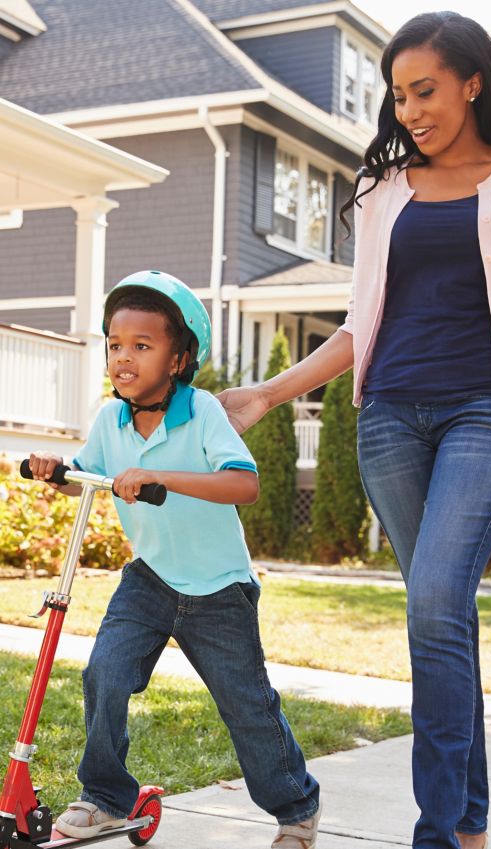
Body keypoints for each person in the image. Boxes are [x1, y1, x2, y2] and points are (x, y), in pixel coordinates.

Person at [217, 12, 491, 849]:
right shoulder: (382, 189)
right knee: (440, 616)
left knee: (434, 603)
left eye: (425, 91)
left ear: (472, 82)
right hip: (387, 418)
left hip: (485, 414)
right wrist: (268, 394)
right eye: (398, 96)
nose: (410, 110)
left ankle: (437, 832)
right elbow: (358, 324)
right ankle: (470, 827)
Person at [28, 270, 323, 849]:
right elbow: (89, 476)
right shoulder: (109, 420)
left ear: (180, 357)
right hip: (151, 580)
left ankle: (296, 808)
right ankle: (107, 798)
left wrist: (161, 475)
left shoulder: (205, 411)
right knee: (104, 674)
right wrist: (53, 469)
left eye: (143, 345)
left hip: (220, 590)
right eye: (116, 345)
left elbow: (244, 485)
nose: (124, 358)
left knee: (246, 705)